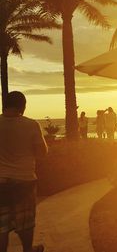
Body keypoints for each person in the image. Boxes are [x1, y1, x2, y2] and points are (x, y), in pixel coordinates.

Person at [0, 91, 47, 252]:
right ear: (23, 106)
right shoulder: (31, 124)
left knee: (2, 224)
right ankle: (28, 250)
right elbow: (42, 152)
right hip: (24, 181)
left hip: (0, 182)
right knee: (26, 222)